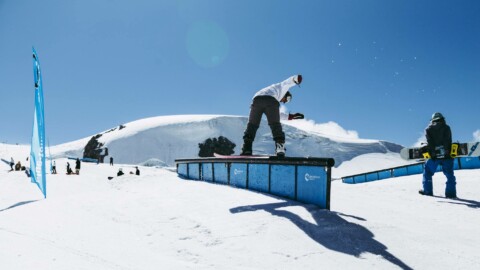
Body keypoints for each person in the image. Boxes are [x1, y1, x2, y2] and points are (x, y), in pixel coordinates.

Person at [241, 75, 304, 156]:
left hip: (256, 100)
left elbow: (276, 114)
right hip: (271, 101)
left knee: (252, 125)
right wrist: (296, 79)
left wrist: (291, 116)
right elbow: (287, 83)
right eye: (287, 99)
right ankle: (280, 149)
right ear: (285, 94)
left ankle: (247, 148)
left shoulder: (269, 90)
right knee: (275, 124)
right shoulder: (281, 89)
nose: (284, 102)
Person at [419, 112, 456, 198]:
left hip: (434, 156)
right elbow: (448, 140)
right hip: (447, 155)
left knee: (427, 173)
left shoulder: (428, 129)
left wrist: (432, 153)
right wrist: (447, 151)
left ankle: (427, 191)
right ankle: (451, 194)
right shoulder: (447, 128)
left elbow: (430, 142)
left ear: (432, 120)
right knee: (449, 174)